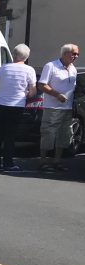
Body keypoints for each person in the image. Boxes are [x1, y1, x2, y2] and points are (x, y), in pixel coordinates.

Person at [0, 43, 37, 172]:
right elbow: (33, 91)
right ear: (26, 57)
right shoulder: (29, 70)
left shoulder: (5, 68)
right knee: (10, 135)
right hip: (16, 105)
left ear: (14, 54)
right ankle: (8, 163)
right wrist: (25, 94)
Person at [37, 43, 79, 172]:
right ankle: (43, 161)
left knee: (64, 135)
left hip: (66, 108)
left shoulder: (73, 69)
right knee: (48, 134)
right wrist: (57, 95)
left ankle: (57, 161)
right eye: (74, 53)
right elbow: (41, 85)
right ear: (65, 53)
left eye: (77, 54)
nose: (76, 56)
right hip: (52, 107)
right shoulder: (51, 66)